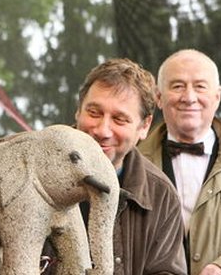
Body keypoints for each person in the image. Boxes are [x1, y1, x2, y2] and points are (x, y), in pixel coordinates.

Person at [138, 49, 221, 275]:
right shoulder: (132, 163)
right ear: (158, 97)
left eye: (200, 86)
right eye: (177, 86)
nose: (189, 97)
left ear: (217, 97)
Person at [75, 58, 187, 274]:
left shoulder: (161, 196)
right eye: (94, 113)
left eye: (119, 119)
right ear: (78, 111)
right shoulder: (32, 165)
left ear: (144, 126)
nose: (102, 130)